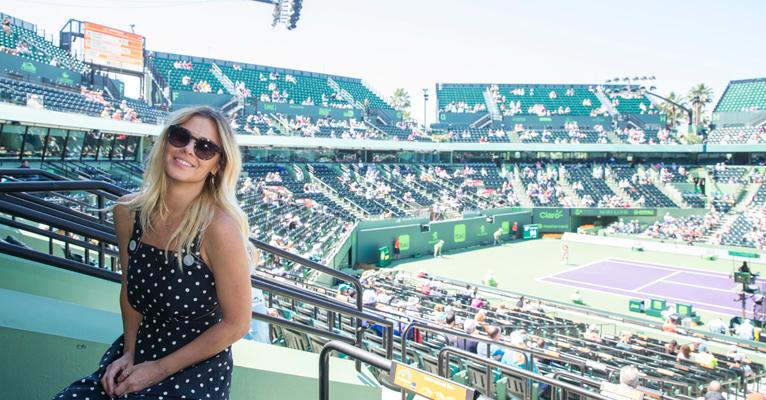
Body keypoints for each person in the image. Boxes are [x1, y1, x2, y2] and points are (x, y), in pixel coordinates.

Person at [51, 106, 255, 399]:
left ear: (218, 165)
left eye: (205, 147)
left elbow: (237, 324)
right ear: (165, 142)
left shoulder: (219, 228)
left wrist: (159, 369)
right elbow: (129, 291)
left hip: (195, 367)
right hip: (140, 352)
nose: (188, 150)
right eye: (180, 136)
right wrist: (130, 352)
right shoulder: (128, 212)